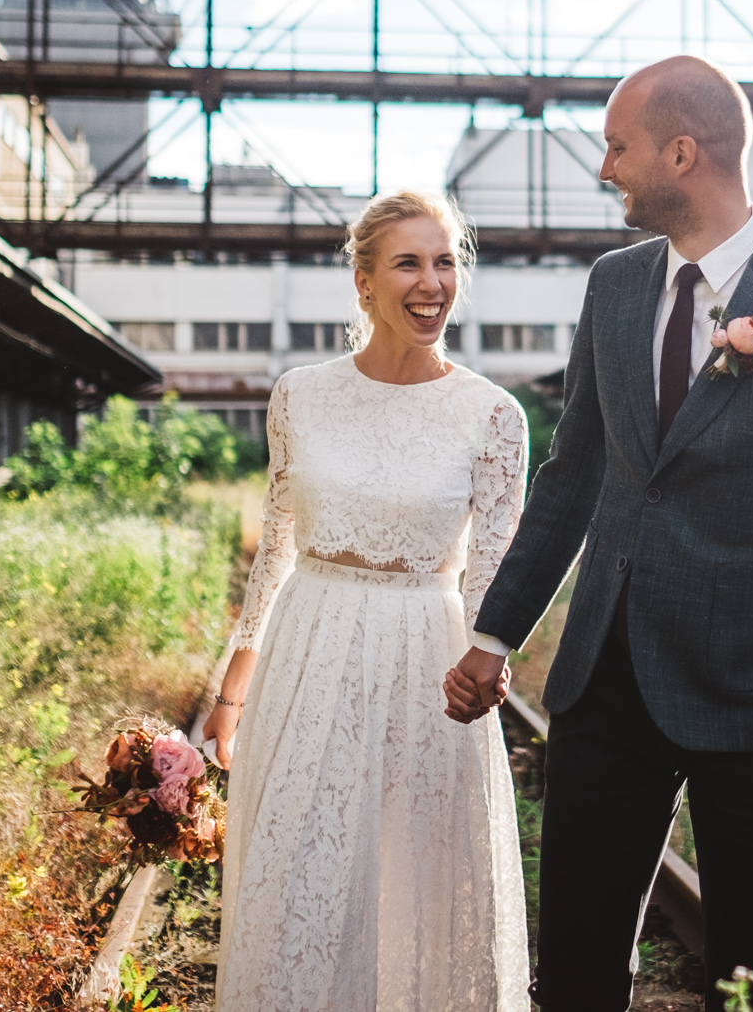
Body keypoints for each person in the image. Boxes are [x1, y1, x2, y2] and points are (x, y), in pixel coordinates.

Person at [445, 55, 753, 1012]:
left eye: (618, 146)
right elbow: (572, 477)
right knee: (574, 970)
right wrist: (495, 636)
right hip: (604, 683)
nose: (606, 168)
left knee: (750, 976)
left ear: (682, 152)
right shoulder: (614, 287)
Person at [205, 190, 529, 1012]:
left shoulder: (494, 415)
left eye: (447, 260)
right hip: (306, 654)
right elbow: (277, 547)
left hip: (427, 667)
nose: (432, 282)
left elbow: (495, 582)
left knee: (417, 888)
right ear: (363, 281)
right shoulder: (299, 394)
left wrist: (491, 671)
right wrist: (231, 688)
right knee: (295, 884)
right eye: (410, 262)